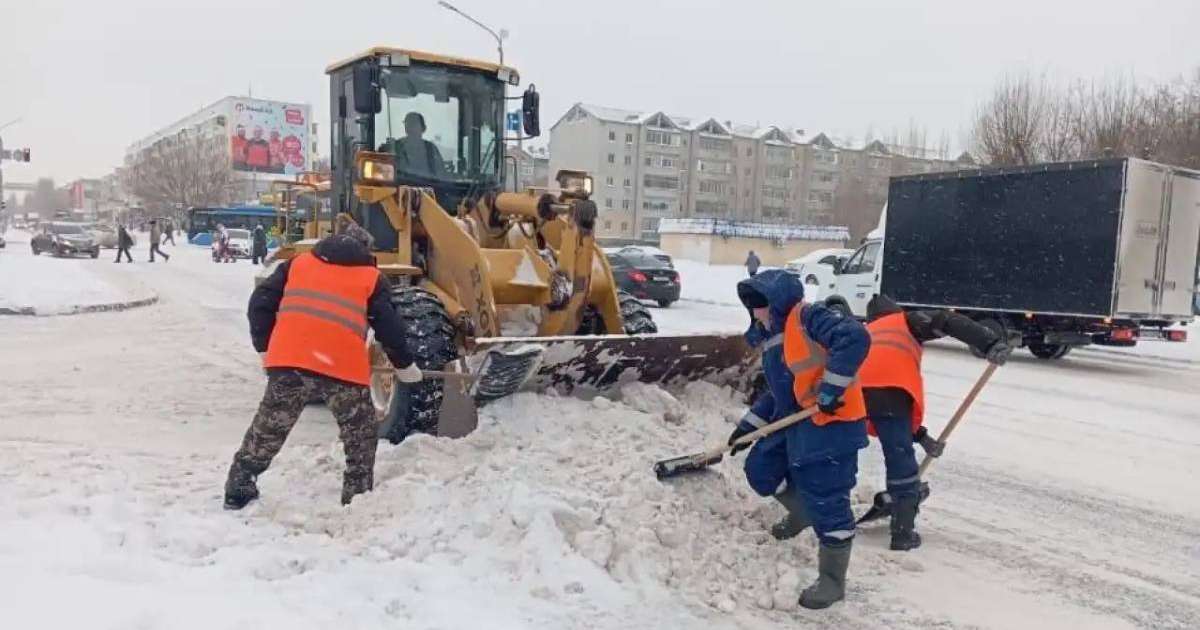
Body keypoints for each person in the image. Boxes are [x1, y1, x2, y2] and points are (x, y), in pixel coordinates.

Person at [224, 225, 423, 509]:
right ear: (366, 249)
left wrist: (265, 346)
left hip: (291, 361)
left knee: (269, 427)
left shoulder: (297, 264)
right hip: (341, 368)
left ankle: (238, 487)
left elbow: (260, 303)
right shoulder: (371, 277)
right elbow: (389, 329)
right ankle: (357, 496)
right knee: (360, 433)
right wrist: (405, 365)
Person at [729, 270, 870, 610]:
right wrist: (748, 427)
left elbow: (855, 337)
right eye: (751, 307)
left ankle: (833, 581)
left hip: (832, 423)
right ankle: (801, 511)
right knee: (761, 469)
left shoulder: (807, 317)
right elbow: (778, 395)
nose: (756, 312)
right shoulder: (774, 340)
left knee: (827, 496)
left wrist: (831, 387)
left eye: (761, 304)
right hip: (795, 421)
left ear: (776, 303)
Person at [859, 294, 1011, 551]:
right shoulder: (905, 320)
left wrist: (922, 438)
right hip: (893, 394)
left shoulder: (865, 332)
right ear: (895, 311)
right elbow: (947, 319)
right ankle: (902, 535)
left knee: (842, 454)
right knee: (900, 463)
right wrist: (989, 343)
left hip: (857, 396)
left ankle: (828, 515)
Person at [390, 112, 446, 177]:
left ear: (423, 128)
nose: (410, 127)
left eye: (414, 124)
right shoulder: (395, 147)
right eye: (408, 123)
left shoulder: (431, 149)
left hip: (428, 184)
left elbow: (441, 173)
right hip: (401, 184)